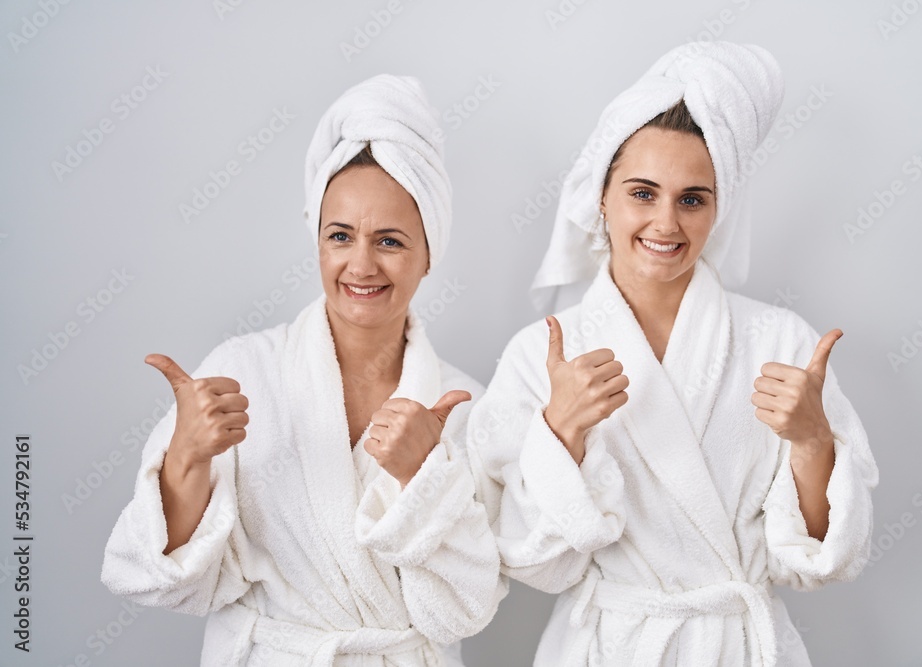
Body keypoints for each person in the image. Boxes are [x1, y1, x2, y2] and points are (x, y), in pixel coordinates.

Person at [465, 42, 878, 666]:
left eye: (692, 199)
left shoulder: (780, 343)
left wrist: (815, 442)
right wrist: (561, 434)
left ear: (718, 210)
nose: (665, 223)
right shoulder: (541, 356)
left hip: (737, 645)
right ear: (601, 197)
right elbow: (529, 561)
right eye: (642, 193)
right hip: (606, 647)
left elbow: (823, 558)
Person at [102, 73, 506, 666]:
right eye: (340, 235)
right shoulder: (243, 371)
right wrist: (185, 457)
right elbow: (158, 579)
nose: (360, 264)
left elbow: (464, 611)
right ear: (318, 242)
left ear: (428, 254)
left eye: (390, 241)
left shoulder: (467, 404)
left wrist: (425, 478)